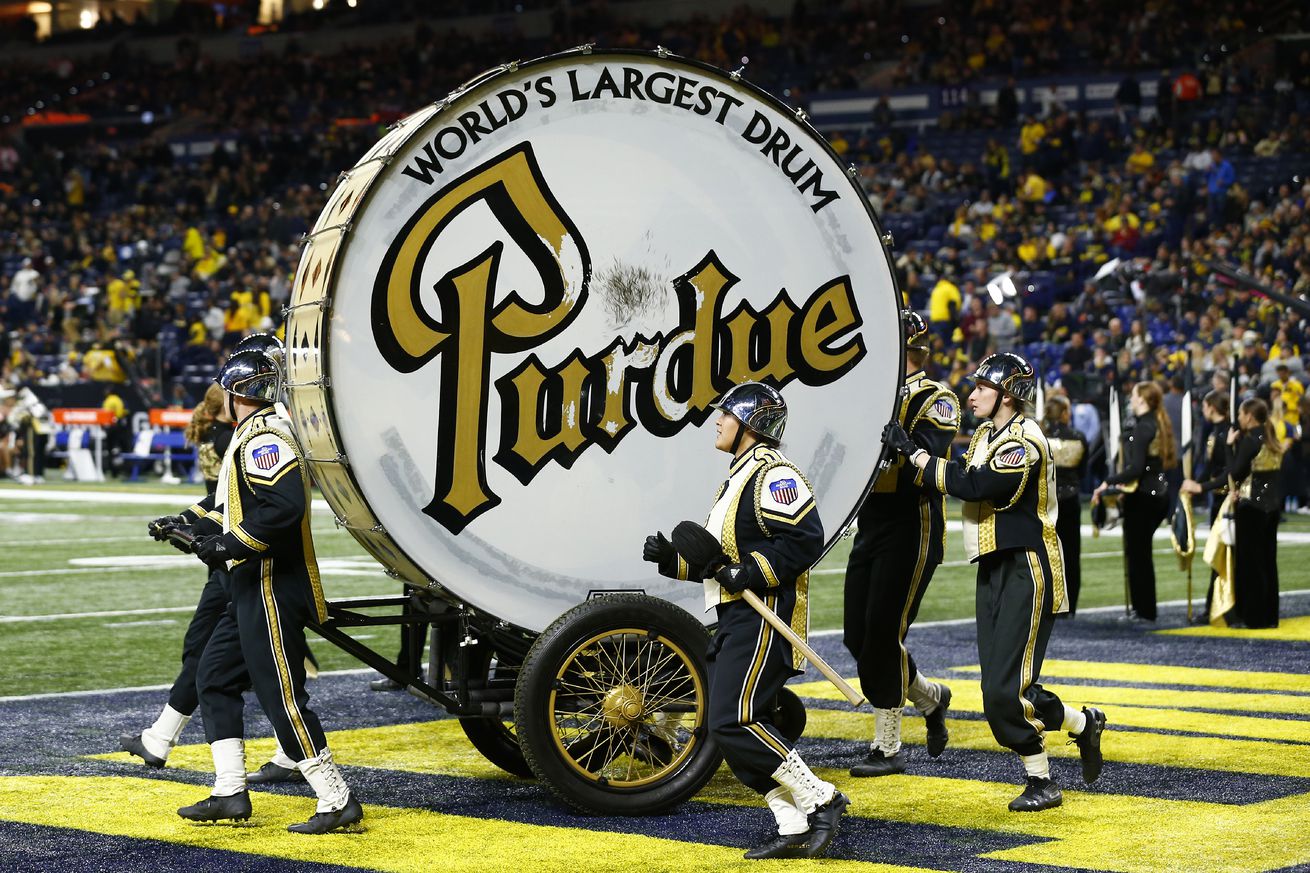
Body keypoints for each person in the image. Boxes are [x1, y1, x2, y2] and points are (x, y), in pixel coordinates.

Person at [883, 352, 1106, 812]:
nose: (972, 394)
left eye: (982, 387)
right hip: (995, 566)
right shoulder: (989, 433)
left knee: (1003, 691)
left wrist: (916, 453)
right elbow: (960, 476)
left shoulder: (1024, 441)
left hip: (1027, 566)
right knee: (1002, 684)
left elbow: (975, 484)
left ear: (1007, 396)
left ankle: (1042, 781)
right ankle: (1084, 725)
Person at [152, 350, 362, 833]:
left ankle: (337, 798)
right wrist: (184, 521)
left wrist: (227, 545)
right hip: (249, 582)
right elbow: (229, 497)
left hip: (270, 583)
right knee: (213, 677)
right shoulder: (252, 435)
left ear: (235, 392)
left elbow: (284, 507)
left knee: (280, 696)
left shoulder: (265, 438)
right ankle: (229, 792)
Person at [644, 382, 847, 859]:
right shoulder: (739, 476)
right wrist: (673, 561)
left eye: (726, 415)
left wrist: (744, 572)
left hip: (766, 616)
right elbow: (722, 564)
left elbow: (803, 539)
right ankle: (791, 823)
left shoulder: (775, 474)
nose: (717, 421)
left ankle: (823, 797)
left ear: (750, 424)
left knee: (735, 719)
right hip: (736, 613)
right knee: (722, 725)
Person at [843, 311, 960, 777]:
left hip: (912, 525)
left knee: (883, 633)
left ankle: (888, 744)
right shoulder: (870, 396)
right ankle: (932, 698)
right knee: (857, 633)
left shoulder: (938, 397)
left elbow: (928, 458)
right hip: (872, 523)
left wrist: (904, 443)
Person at [1094, 381, 1175, 621]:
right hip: (1157, 493)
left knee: (1138, 555)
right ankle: (1144, 608)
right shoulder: (1155, 423)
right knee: (1141, 554)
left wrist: (1109, 481)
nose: (1131, 397)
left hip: (1143, 497)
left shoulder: (1143, 426)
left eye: (1135, 394)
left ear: (1143, 399)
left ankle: (1144, 610)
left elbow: (1136, 469)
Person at [1227, 398, 1284, 628]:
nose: (1239, 418)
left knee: (1250, 564)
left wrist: (1228, 446)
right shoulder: (1272, 439)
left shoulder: (1250, 440)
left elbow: (1234, 472)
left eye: (1241, 414)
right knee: (1268, 562)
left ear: (1249, 416)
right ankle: (1270, 616)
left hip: (1252, 508)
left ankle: (1253, 617)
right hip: (1272, 507)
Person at [1181, 390, 1233, 620]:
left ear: (1212, 406)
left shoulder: (1226, 433)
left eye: (1204, 406)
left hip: (1226, 500)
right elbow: (1210, 467)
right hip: (1217, 498)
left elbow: (1227, 473)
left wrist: (1201, 487)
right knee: (1218, 552)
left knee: (1221, 553)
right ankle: (1214, 604)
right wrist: (1194, 483)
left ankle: (1219, 605)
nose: (1202, 410)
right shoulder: (1215, 431)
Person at [1043, 395, 1088, 615]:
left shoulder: (1041, 437)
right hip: (1070, 499)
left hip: (1046, 502)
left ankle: (1049, 602)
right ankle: (1070, 606)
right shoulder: (1078, 437)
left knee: (1047, 553)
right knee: (1071, 553)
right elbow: (1083, 471)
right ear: (1064, 413)